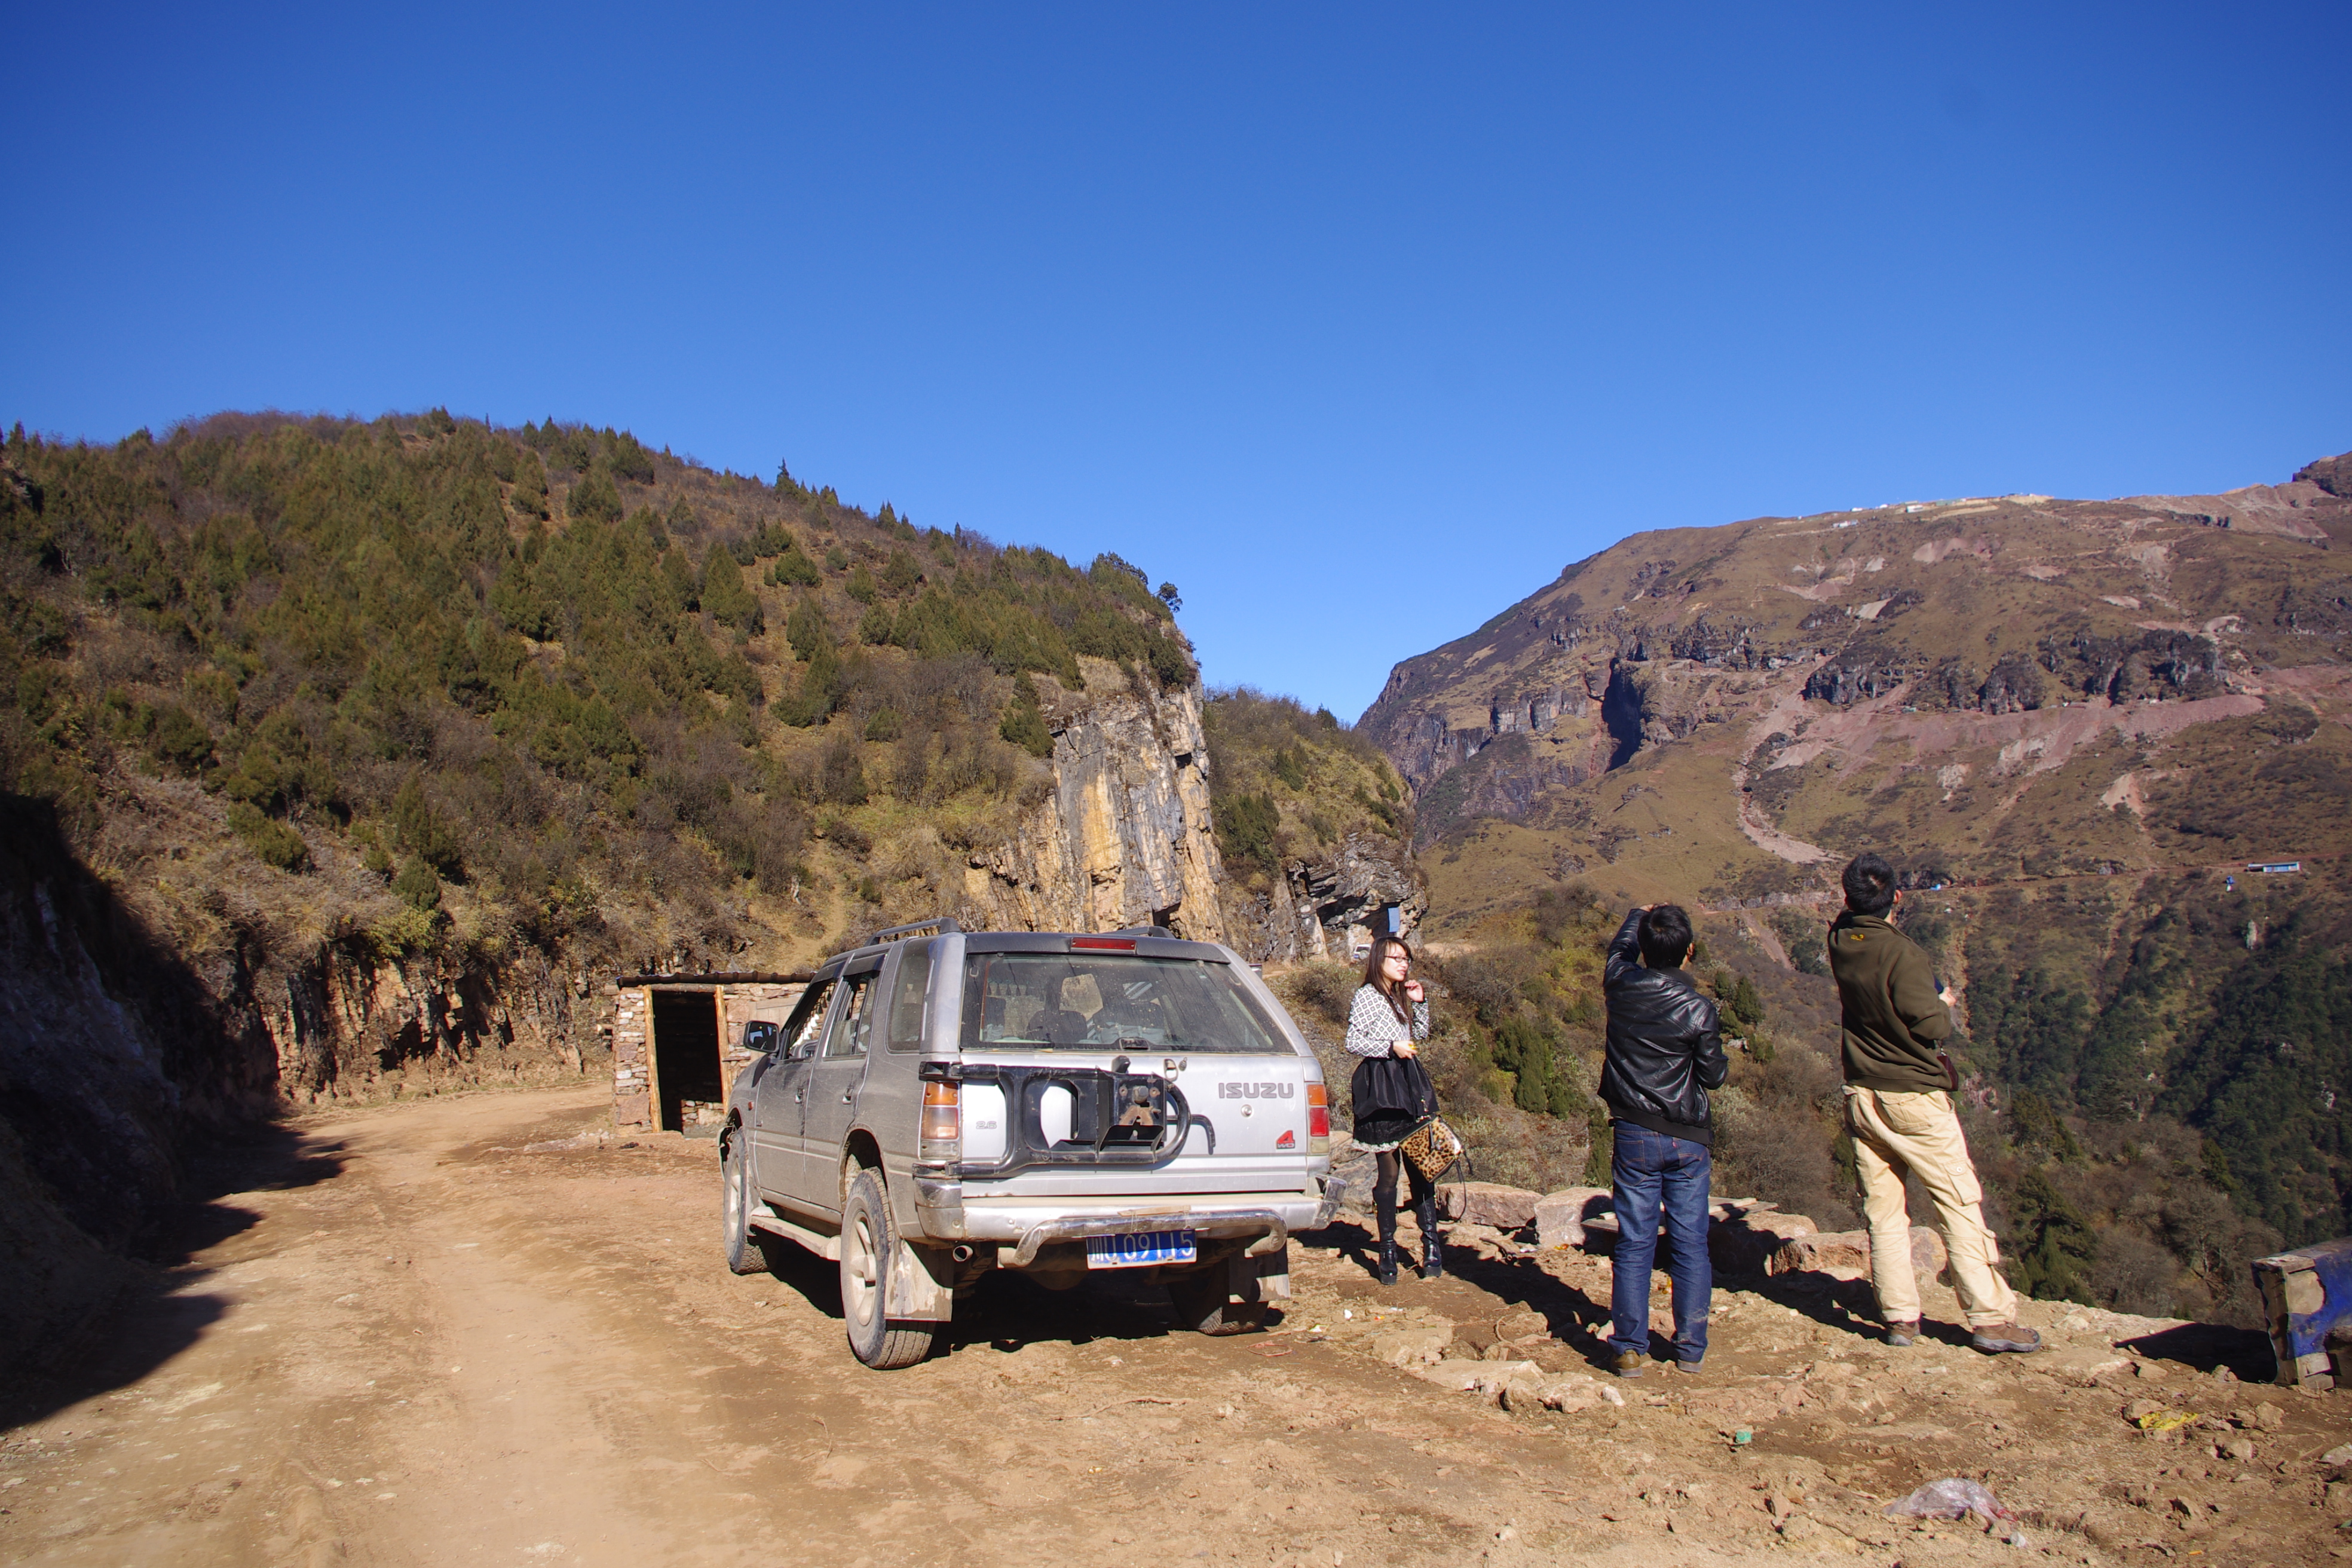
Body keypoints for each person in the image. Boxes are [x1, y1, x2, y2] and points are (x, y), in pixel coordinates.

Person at [1828, 852, 2040, 1355]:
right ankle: (1989, 1318)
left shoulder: (1840, 940)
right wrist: (1943, 1004)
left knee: (1883, 1211)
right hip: (1913, 1096)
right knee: (1958, 1206)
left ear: (1847, 900)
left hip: (1862, 1091)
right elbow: (1932, 1027)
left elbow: (1850, 916)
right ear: (1897, 898)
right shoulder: (1904, 955)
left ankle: (1900, 1317)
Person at [1600, 903, 1727, 1377]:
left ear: (1645, 951)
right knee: (1690, 1242)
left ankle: (1629, 1346)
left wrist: (1635, 915)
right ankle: (1690, 1346)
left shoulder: (1620, 985)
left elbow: (1618, 951)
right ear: (1689, 952)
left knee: (1635, 1242)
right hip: (1686, 1135)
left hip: (1634, 1131)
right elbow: (1713, 1077)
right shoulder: (1699, 1009)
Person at [1344, 936, 1441, 1285]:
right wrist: (1390, 1046)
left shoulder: (1400, 995)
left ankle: (1432, 1246)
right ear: (1378, 960)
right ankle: (1387, 1250)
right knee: (1388, 1173)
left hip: (1410, 1083)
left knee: (1421, 1168)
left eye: (1406, 959)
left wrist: (1421, 1003)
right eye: (1396, 958)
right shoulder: (1367, 996)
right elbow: (1353, 1041)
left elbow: (1422, 1037)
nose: (1403, 964)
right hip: (1381, 1086)